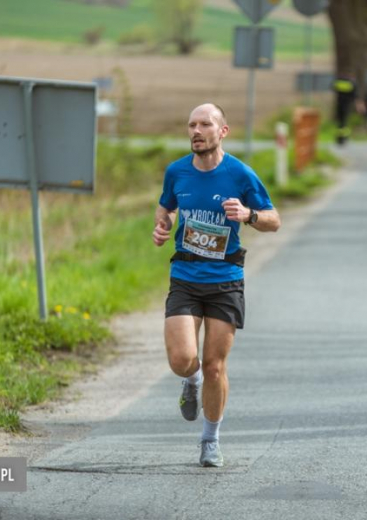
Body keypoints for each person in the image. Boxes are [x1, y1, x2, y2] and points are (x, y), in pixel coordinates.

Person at [152, 103, 281, 468]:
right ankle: (188, 381)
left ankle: (210, 440)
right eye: (191, 124)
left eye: (205, 124)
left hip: (225, 281)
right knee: (182, 360)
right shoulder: (176, 171)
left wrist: (249, 215)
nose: (196, 130)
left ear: (222, 131)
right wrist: (162, 225)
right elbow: (167, 207)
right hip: (186, 278)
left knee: (215, 366)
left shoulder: (240, 174)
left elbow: (274, 220)